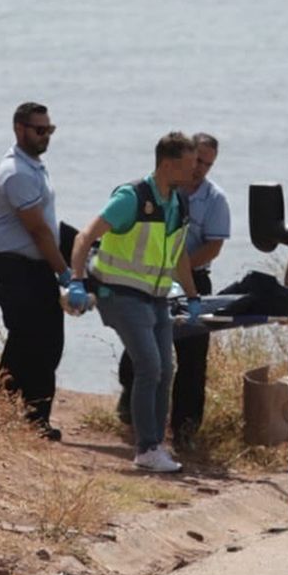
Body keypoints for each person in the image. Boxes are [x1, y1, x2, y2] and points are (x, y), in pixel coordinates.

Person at [69, 132, 207, 472]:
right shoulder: (131, 198)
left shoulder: (179, 203)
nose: (197, 171)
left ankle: (155, 445)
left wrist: (193, 298)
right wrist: (75, 280)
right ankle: (146, 448)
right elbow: (85, 236)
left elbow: (179, 260)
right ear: (168, 164)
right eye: (191, 164)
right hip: (120, 294)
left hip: (157, 299)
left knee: (165, 370)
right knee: (149, 365)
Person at [115, 132, 231, 451]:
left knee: (192, 359)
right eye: (198, 161)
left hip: (193, 278)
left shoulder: (215, 199)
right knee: (140, 344)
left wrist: (181, 272)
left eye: (208, 164)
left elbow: (213, 246)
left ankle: (185, 430)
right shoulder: (158, 192)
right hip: (150, 278)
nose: (201, 169)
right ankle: (131, 401)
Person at [0, 102, 70, 441]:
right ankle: (27, 415)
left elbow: (48, 226)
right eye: (39, 129)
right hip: (12, 266)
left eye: (50, 129)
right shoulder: (16, 172)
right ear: (20, 129)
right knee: (32, 337)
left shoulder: (34, 166)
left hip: (32, 266)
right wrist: (64, 273)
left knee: (41, 338)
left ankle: (17, 410)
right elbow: (38, 231)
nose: (46, 135)